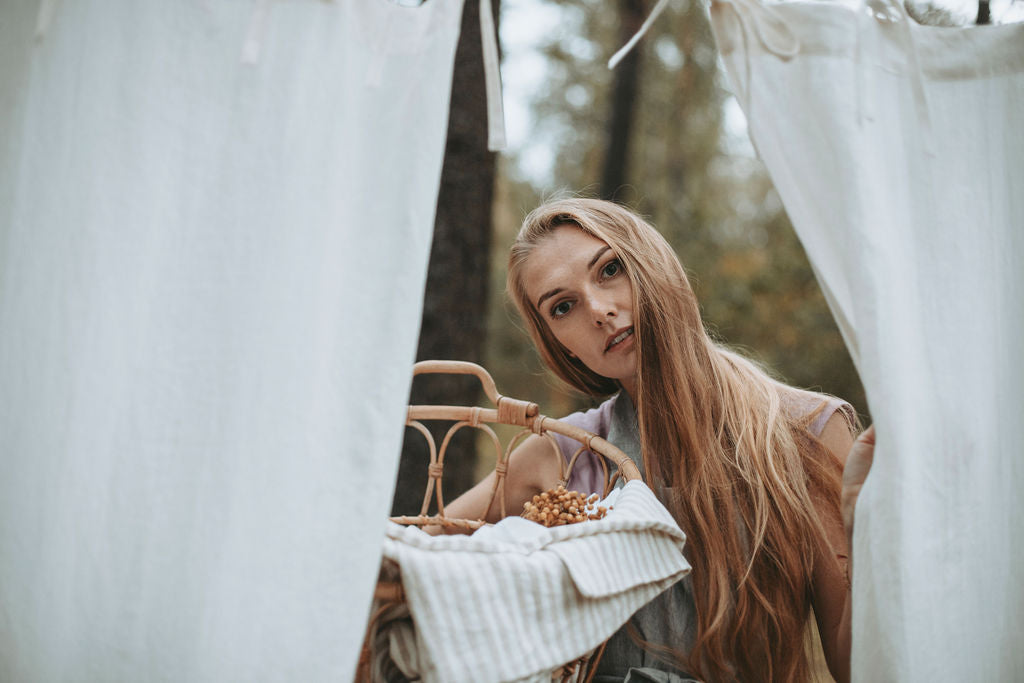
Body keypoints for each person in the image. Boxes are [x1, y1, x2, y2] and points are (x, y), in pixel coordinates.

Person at [445, 198, 874, 683]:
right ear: (558, 341)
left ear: (651, 262)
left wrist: (872, 541)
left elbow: (855, 666)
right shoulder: (560, 456)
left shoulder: (806, 432)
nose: (600, 311)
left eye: (610, 270)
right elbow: (414, 555)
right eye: (563, 306)